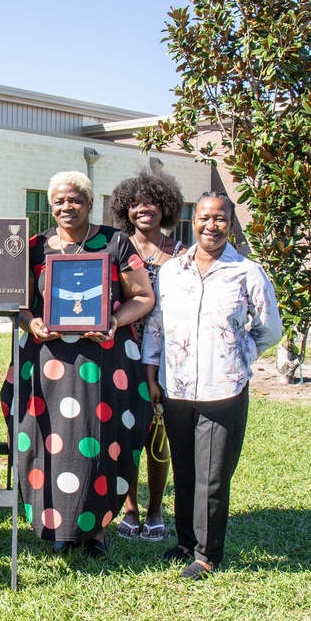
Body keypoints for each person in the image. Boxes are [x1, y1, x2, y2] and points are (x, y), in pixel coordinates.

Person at [0, 170, 155, 556]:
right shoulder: (33, 247)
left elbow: (143, 296)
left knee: (100, 438)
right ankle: (59, 528)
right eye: (58, 201)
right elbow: (16, 302)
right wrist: (31, 321)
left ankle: (96, 533)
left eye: (75, 200)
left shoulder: (116, 242)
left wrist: (115, 322)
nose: (66, 207)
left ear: (88, 202)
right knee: (48, 439)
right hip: (46, 360)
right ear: (50, 206)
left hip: (104, 362)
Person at [142, 191, 282, 580]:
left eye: (220, 218)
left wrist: (240, 353)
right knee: (186, 469)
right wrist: (152, 377)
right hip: (177, 389)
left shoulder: (247, 272)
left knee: (214, 475)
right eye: (204, 217)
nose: (211, 225)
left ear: (231, 224)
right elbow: (157, 328)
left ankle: (207, 554)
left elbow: (270, 328)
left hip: (225, 389)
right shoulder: (172, 271)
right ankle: (185, 541)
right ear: (193, 221)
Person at [108, 171, 187, 542]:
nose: (144, 209)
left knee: (158, 433)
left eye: (152, 202)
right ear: (125, 209)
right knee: (124, 432)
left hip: (168, 355)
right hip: (120, 351)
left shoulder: (183, 253)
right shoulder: (114, 248)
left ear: (166, 207)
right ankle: (130, 508)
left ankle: (155, 508)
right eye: (135, 203)